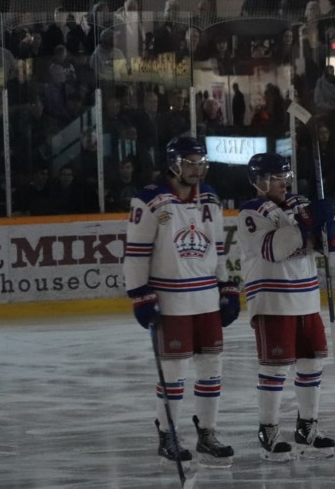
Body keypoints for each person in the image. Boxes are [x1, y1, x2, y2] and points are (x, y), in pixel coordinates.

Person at [123, 137, 236, 466]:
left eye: (201, 163)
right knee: (173, 373)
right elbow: (136, 254)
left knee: (211, 369)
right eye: (189, 163)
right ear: (173, 163)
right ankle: (167, 434)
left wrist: (227, 286)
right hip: (171, 300)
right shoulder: (151, 201)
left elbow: (218, 248)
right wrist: (140, 296)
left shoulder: (211, 198)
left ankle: (208, 432)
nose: (196, 169)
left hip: (206, 299)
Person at [236, 153, 335, 461]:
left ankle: (307, 427)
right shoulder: (251, 212)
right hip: (272, 300)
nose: (283, 183)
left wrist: (326, 222)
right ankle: (268, 430)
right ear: (260, 181)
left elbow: (328, 246)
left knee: (311, 363)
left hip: (306, 298)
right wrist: (308, 222)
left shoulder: (300, 204)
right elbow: (274, 250)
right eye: (276, 178)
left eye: (285, 177)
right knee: (275, 368)